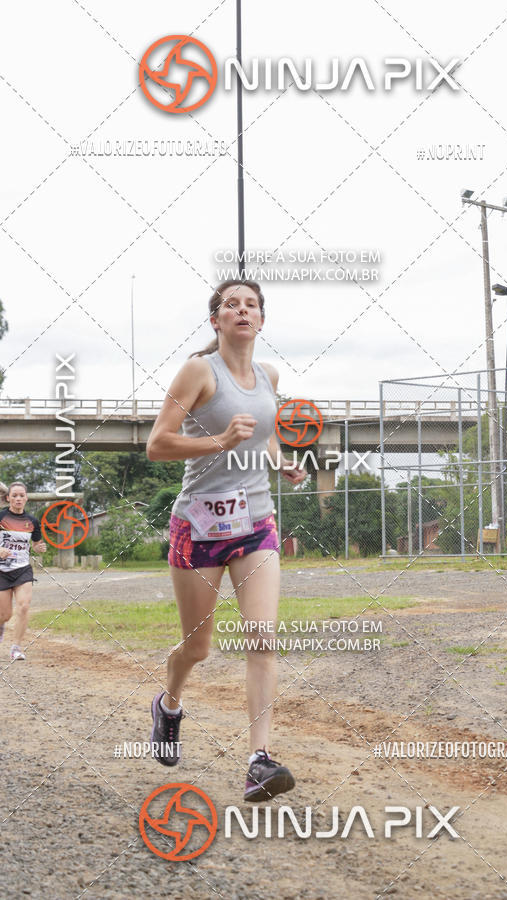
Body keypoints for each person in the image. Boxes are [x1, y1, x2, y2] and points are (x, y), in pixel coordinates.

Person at [146, 279, 306, 802]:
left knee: (262, 636)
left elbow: (264, 429)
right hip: (199, 528)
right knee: (198, 648)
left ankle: (259, 761)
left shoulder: (269, 375)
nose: (242, 309)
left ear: (262, 320)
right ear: (215, 321)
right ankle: (169, 704)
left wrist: (280, 463)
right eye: (230, 304)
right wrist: (219, 440)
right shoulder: (199, 371)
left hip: (256, 524)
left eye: (251, 304)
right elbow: (157, 444)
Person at [0, 482, 47, 660]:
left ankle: (16, 648)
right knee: (4, 615)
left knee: (24, 606)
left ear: (26, 498)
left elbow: (35, 544)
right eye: (14, 496)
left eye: (21, 495)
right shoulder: (1, 517)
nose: (18, 499)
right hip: (2, 571)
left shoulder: (32, 521)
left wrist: (38, 548)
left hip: (22, 570)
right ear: (8, 498)